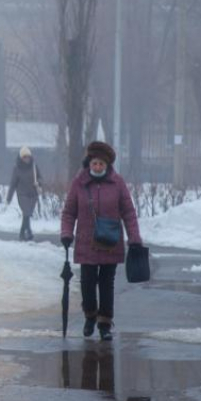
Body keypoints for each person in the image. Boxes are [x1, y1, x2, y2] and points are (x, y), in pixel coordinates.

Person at [60, 141, 142, 340]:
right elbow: (69, 212)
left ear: (107, 165)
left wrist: (134, 238)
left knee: (106, 283)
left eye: (101, 164)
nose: (97, 167)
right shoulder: (79, 183)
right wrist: (66, 233)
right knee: (87, 283)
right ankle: (90, 316)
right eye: (94, 163)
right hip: (86, 241)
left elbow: (128, 212)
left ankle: (105, 323)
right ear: (89, 163)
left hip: (110, 242)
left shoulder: (117, 183)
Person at [6, 146, 43, 241]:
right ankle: (28, 232)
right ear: (21, 158)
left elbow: (40, 177)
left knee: (28, 214)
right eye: (24, 157)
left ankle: (23, 233)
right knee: (26, 212)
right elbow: (13, 183)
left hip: (33, 194)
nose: (27, 159)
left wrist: (38, 182)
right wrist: (9, 198)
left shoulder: (34, 166)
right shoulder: (17, 168)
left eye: (28, 157)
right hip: (22, 194)